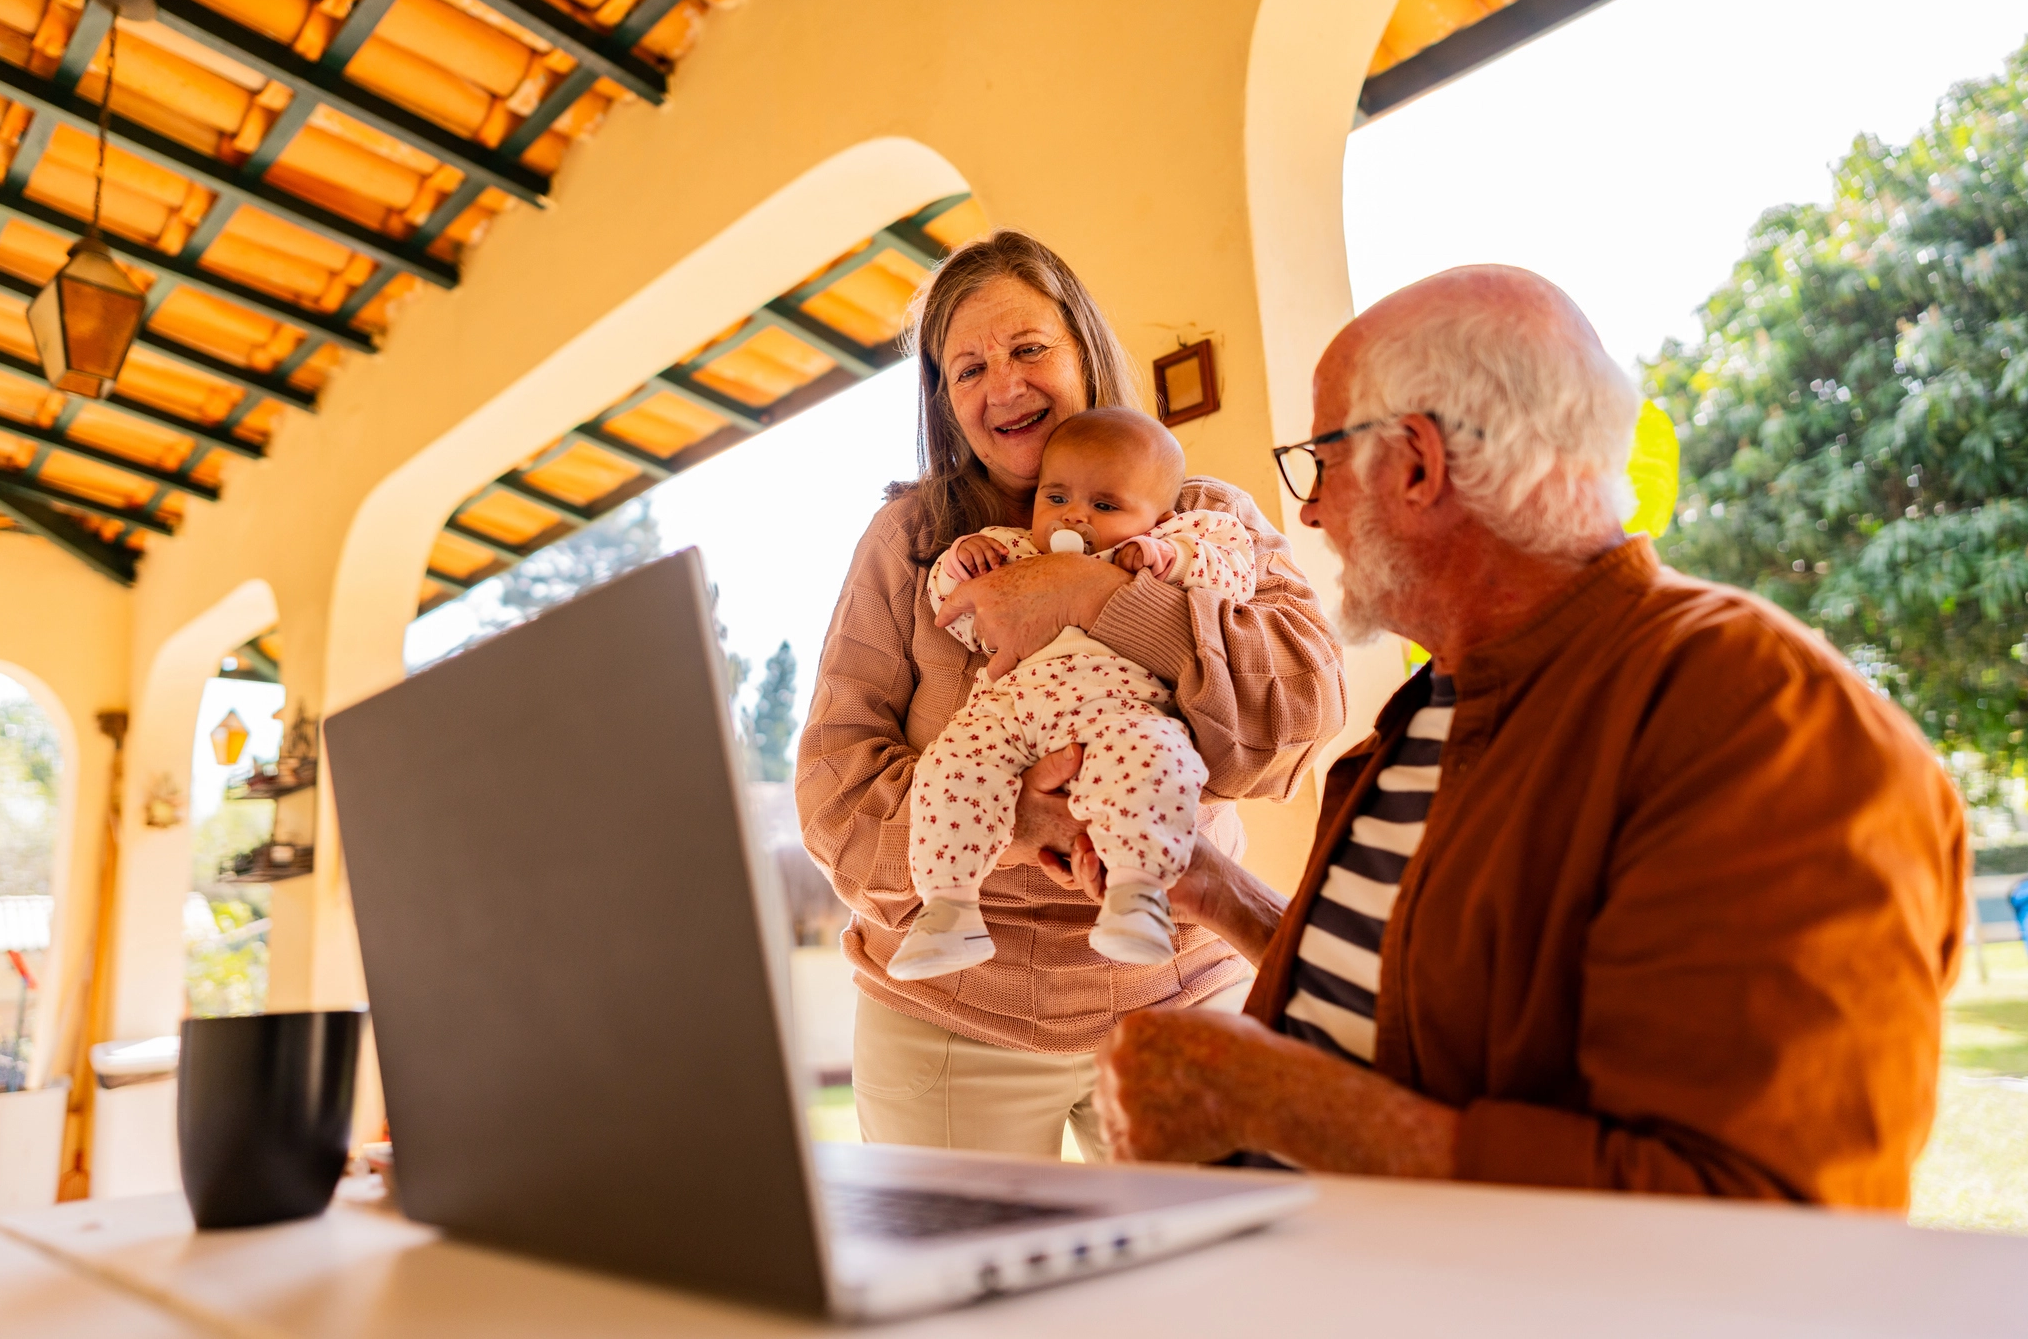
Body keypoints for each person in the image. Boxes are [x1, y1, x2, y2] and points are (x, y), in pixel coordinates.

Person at [1090, 265, 1967, 1207]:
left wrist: (1274, 1103)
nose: (1308, 510)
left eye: (1321, 461)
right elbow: (1433, 1018)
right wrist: (1212, 889)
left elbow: (1761, 1216)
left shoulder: (1761, 721)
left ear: (1416, 463)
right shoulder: (1442, 704)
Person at [796, 230, 1344, 1161]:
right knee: (963, 1265)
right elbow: (831, 795)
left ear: (1084, 350)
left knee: (1218, 1260)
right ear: (943, 400)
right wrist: (1014, 818)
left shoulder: (1203, 520)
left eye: (1027, 349)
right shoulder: (913, 542)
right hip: (948, 1011)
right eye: (967, 368)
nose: (1002, 386)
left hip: (1179, 989)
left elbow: (1299, 716)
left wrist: (1101, 596)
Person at [894, 408, 1257, 979]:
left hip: (1119, 710)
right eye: (1056, 498)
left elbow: (1235, 573)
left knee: (1155, 761)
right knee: (948, 767)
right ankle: (948, 907)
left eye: (1105, 506)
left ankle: (1138, 897)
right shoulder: (1013, 552)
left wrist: (1174, 558)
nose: (1074, 516)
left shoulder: (1160, 550)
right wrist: (962, 562)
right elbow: (958, 614)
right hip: (1010, 709)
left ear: (1159, 519)